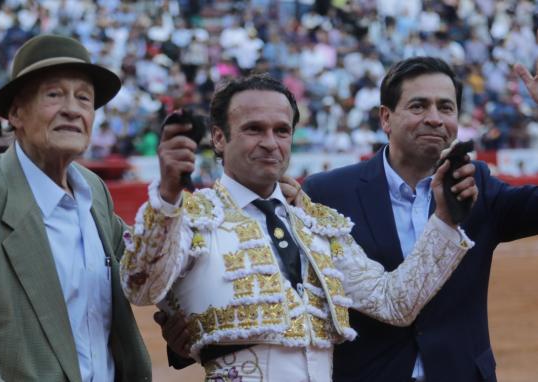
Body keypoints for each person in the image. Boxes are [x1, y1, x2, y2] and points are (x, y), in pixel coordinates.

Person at [119, 73, 476, 381]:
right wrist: (167, 194)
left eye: (282, 131)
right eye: (253, 129)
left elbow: (394, 302)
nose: (271, 143)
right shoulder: (193, 216)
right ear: (218, 138)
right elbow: (140, 286)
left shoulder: (316, 224)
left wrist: (444, 219)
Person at [303, 56, 538, 382]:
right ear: (386, 117)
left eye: (446, 107)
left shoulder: (477, 183)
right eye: (418, 106)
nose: (434, 119)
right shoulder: (327, 192)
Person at [0, 34, 151, 381]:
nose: (72, 109)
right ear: (16, 113)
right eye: (54, 94)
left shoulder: (93, 191)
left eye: (84, 98)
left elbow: (141, 275)